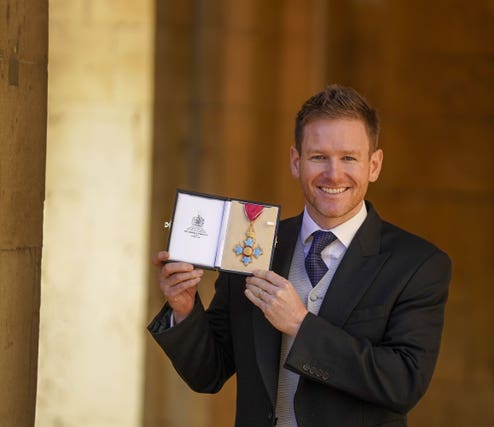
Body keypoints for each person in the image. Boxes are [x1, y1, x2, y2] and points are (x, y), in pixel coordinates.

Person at [148, 84, 451, 427]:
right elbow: (208, 374)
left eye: (349, 157)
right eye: (318, 157)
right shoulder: (249, 245)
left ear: (374, 165)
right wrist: (185, 309)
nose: (333, 174)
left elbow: (403, 383)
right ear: (296, 162)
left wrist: (300, 325)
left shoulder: (417, 265)